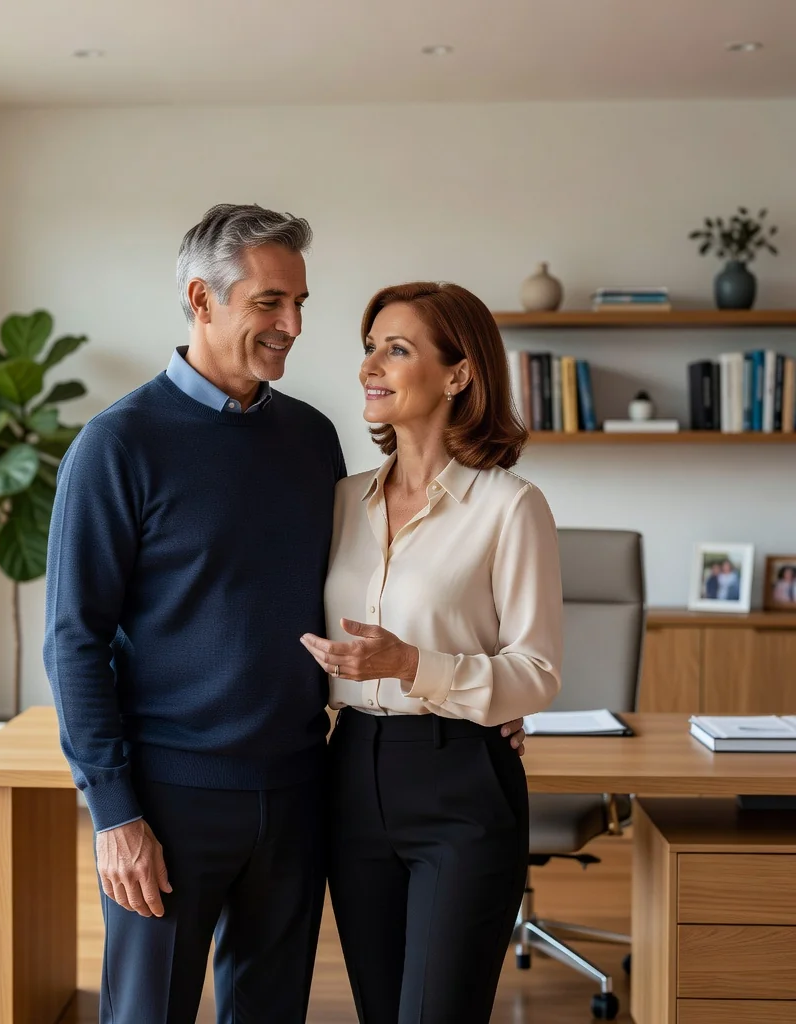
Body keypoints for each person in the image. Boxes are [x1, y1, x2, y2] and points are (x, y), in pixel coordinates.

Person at [43, 206, 526, 1024]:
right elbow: (73, 640)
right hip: (170, 798)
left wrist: (484, 696)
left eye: (301, 303)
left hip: (301, 788)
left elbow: (373, 592)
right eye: (270, 302)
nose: (294, 325)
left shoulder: (312, 439)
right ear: (202, 298)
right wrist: (116, 811)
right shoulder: (117, 445)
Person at [301, 282, 563, 1024]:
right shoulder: (337, 501)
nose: (369, 366)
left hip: (461, 787)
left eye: (397, 348)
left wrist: (414, 666)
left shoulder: (510, 506)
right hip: (349, 774)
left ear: (459, 373)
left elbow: (536, 671)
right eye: (369, 347)